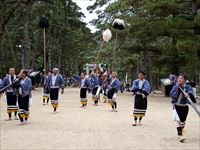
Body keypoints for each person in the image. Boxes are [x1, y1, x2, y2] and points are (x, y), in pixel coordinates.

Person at [170, 74, 196, 142]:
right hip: (176, 106)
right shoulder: (175, 86)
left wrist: (188, 94)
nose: (180, 79)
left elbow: (191, 93)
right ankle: (180, 135)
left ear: (185, 80)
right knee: (178, 120)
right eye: (179, 78)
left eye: (181, 78)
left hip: (184, 106)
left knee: (183, 122)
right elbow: (171, 94)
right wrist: (177, 89)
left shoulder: (187, 87)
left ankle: (180, 132)